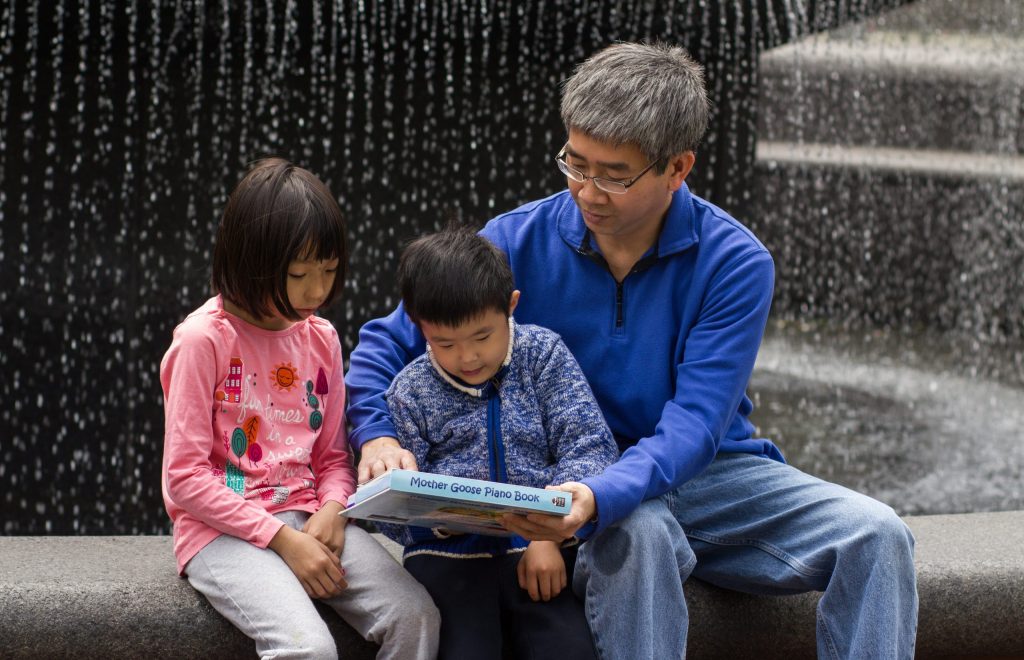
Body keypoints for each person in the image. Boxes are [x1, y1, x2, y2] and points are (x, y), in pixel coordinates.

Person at [346, 42, 919, 659]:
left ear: (678, 167)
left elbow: (698, 423)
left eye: (614, 175)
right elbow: (387, 342)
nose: (588, 191)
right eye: (576, 163)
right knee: (638, 535)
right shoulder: (515, 240)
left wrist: (601, 495)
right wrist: (377, 435)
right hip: (570, 476)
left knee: (879, 535)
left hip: (708, 474)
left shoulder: (736, 262)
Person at [160, 157, 440, 660]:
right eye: (299, 274)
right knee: (307, 648)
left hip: (311, 516)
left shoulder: (321, 338)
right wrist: (281, 540)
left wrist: (334, 509)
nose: (317, 291)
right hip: (221, 532)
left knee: (415, 617)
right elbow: (184, 477)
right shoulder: (203, 341)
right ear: (254, 261)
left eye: (329, 272)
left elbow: (332, 457)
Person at [376, 227, 618, 659]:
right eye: (445, 343)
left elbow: (589, 446)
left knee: (569, 649)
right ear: (420, 327)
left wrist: (548, 534)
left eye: (482, 337)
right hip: (445, 558)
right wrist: (437, 519)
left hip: (539, 551)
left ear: (511, 305)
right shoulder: (409, 390)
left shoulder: (543, 357)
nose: (467, 358)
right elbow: (389, 515)